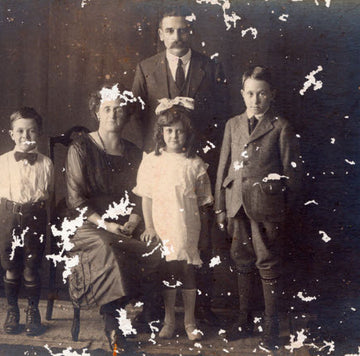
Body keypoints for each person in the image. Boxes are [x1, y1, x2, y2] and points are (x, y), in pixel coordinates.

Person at [131, 4, 229, 326]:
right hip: (161, 164)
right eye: (169, 31)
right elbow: (137, 116)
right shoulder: (146, 68)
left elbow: (223, 116)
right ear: (160, 35)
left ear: (191, 32)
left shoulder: (210, 67)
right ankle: (156, 310)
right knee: (157, 234)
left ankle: (200, 310)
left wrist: (197, 114)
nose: (176, 36)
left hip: (197, 163)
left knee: (199, 236)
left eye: (182, 30)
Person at [64, 84, 162, 352]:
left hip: (124, 225)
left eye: (119, 110)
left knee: (155, 247)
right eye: (107, 109)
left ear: (127, 115)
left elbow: (141, 194)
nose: (113, 115)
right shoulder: (80, 148)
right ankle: (114, 328)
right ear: (97, 112)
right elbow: (75, 201)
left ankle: (144, 314)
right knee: (108, 247)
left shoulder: (133, 152)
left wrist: (133, 220)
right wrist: (106, 224)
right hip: (88, 226)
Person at [214, 66, 301, 349]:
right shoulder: (233, 124)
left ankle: (271, 326)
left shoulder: (281, 126)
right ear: (242, 95)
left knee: (267, 262)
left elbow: (292, 174)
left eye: (262, 94)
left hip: (267, 206)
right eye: (250, 93)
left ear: (271, 95)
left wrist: (282, 210)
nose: (255, 100)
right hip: (236, 202)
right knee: (241, 258)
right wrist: (220, 206)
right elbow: (223, 166)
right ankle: (243, 319)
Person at [133, 102, 213, 341]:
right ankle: (169, 321)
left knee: (188, 270)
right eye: (169, 131)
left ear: (187, 134)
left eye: (179, 131)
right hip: (163, 225)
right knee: (169, 271)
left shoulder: (195, 163)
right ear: (161, 133)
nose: (174, 135)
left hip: (188, 225)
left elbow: (203, 202)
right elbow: (146, 197)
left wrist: (204, 234)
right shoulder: (152, 160)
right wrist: (149, 226)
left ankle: (190, 322)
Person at [0, 107, 54, 336]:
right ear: (11, 134)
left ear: (39, 133)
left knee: (31, 265)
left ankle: (32, 312)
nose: (25, 137)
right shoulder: (3, 161)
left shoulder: (46, 164)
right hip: (8, 216)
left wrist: (29, 210)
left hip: (35, 216)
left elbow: (47, 191)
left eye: (31, 131)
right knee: (11, 266)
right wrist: (12, 212)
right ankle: (12, 311)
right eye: (20, 131)